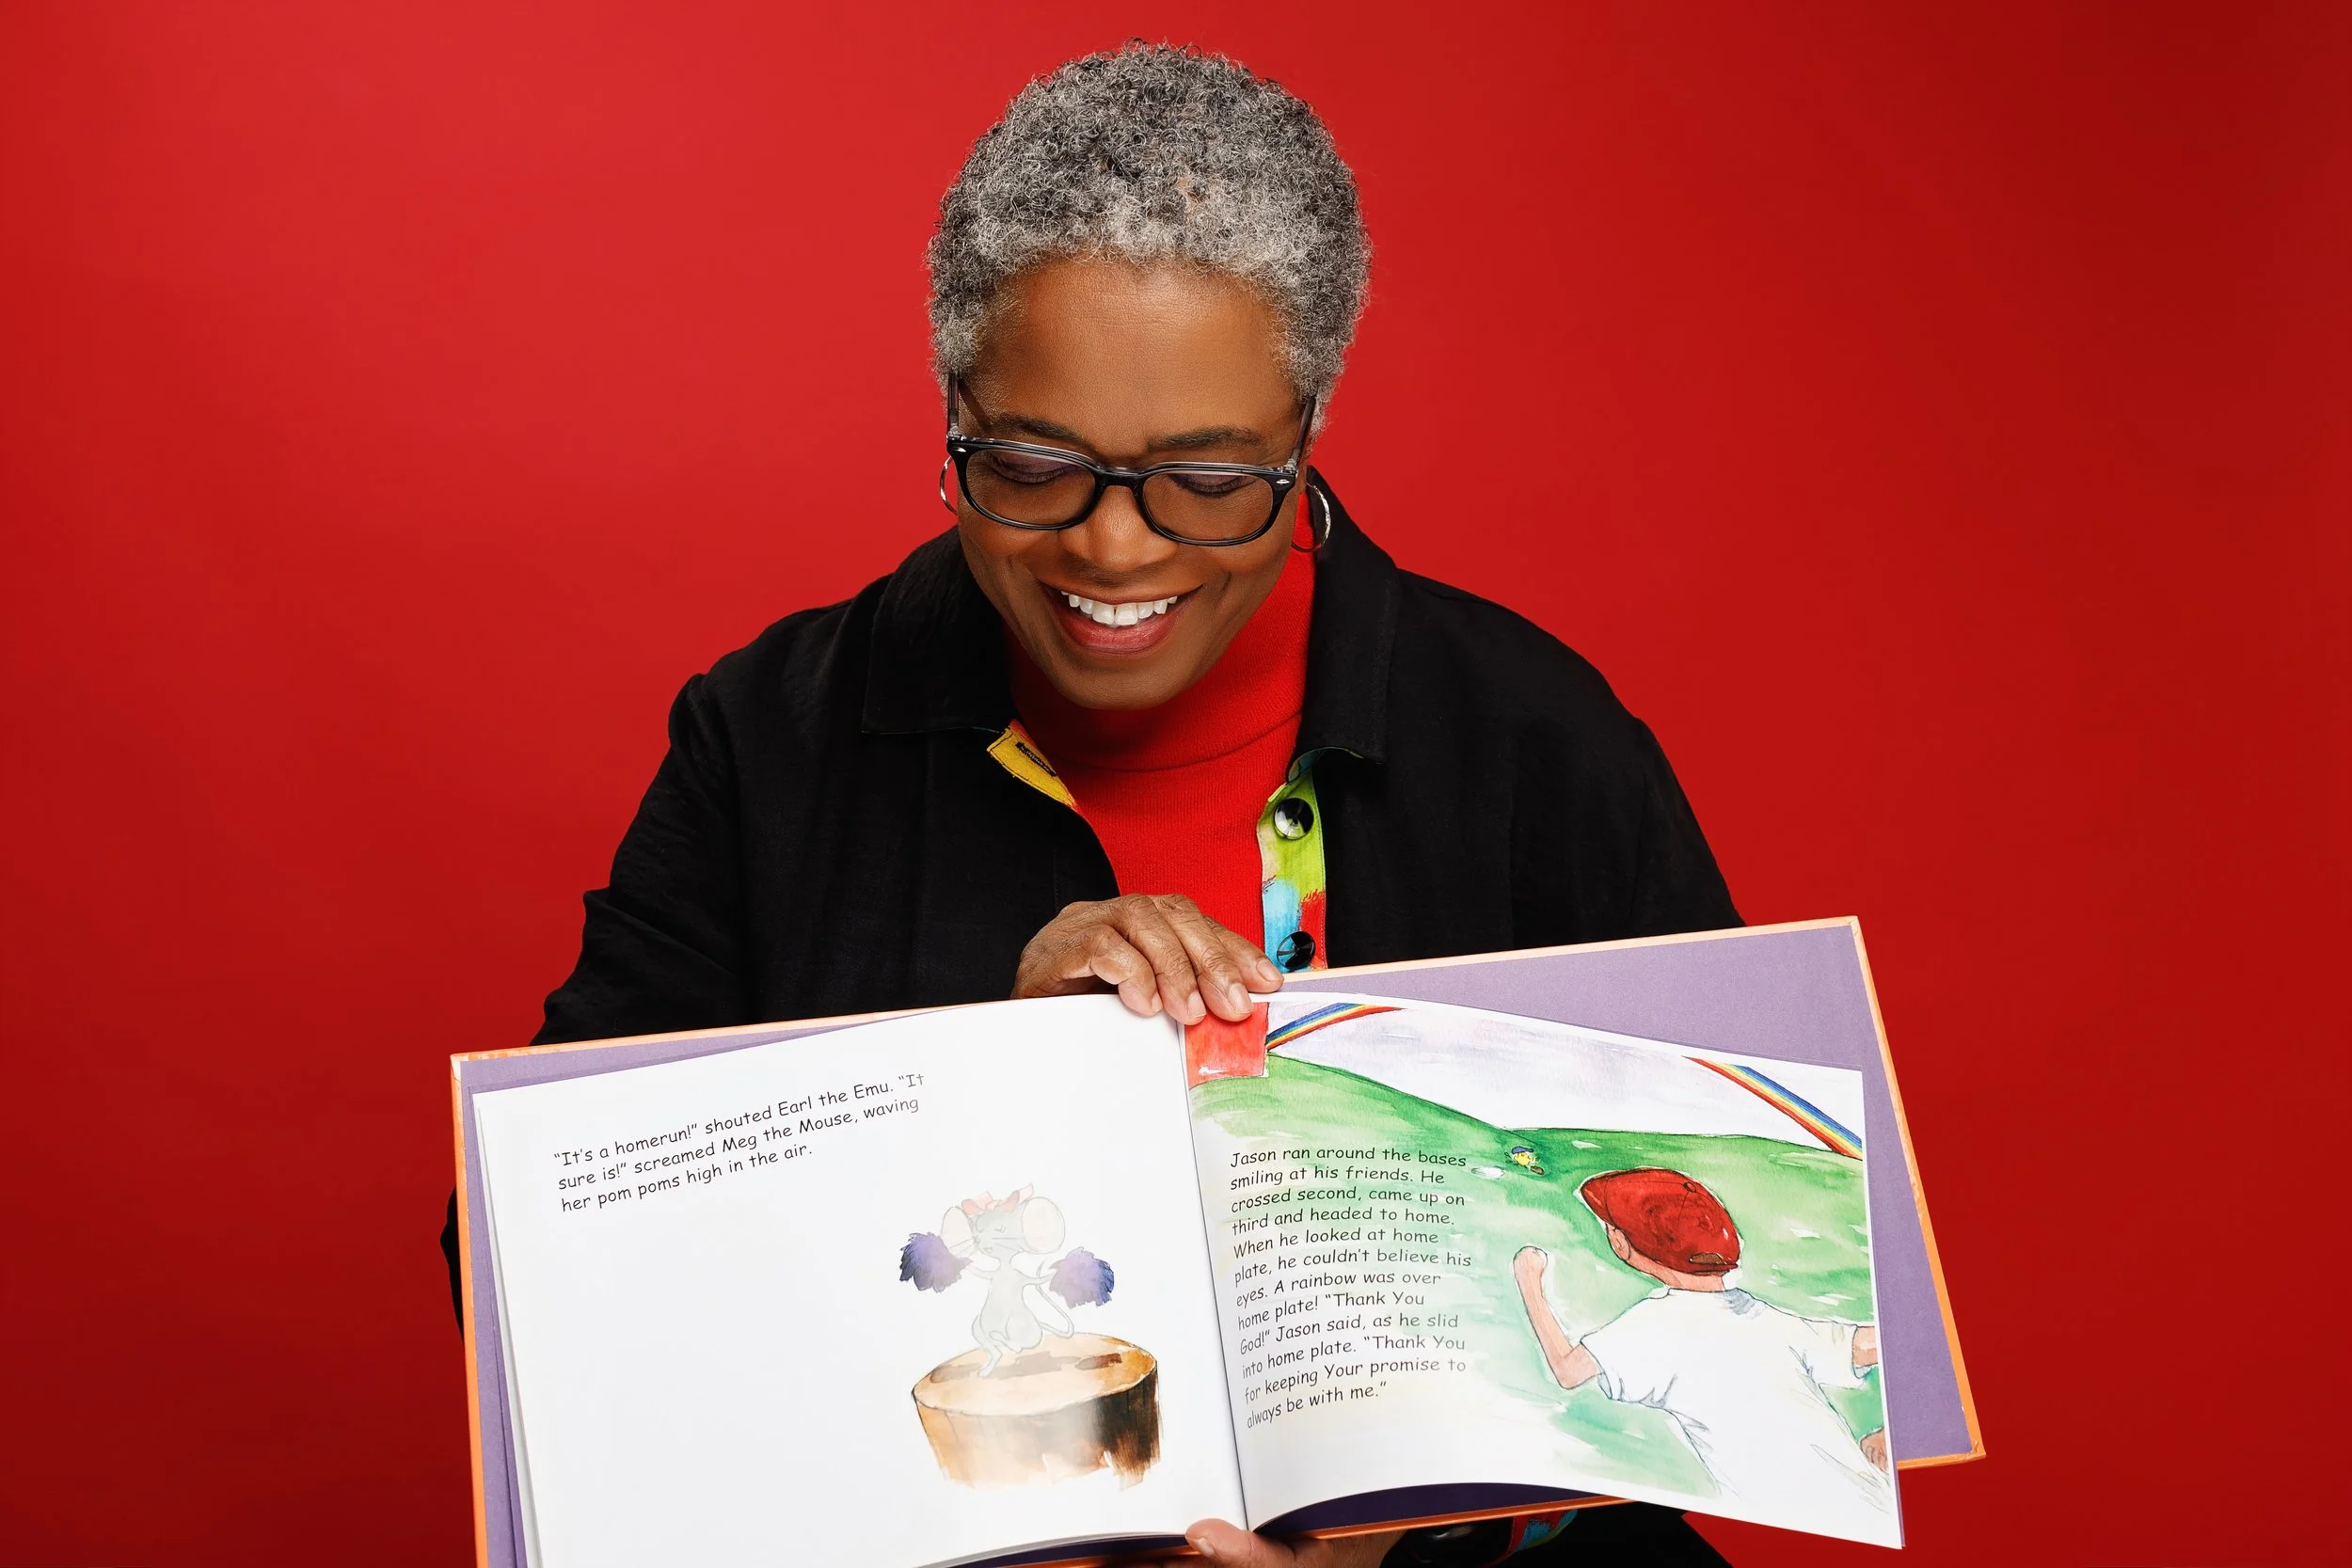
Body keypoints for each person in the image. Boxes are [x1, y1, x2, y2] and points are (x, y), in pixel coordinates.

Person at [444, 43, 1741, 1567]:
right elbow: (527, 1271)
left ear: (1306, 431)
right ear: (951, 412)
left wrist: (1428, 1538)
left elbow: (1724, 1323)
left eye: (1207, 479)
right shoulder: (775, 741)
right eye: (1035, 465)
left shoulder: (1531, 744)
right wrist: (971, 1081)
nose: (1116, 548)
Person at [1513, 1170, 1891, 1534]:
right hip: (1873, 1506)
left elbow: (1566, 1371)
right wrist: (1890, 1433)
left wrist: (1528, 1280)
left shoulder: (1650, 1325)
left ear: (1621, 1243)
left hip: (1792, 1525)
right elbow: (1879, 1343)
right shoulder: (1764, 1317)